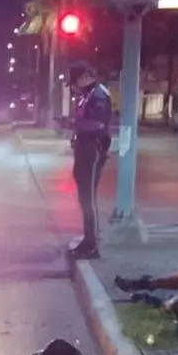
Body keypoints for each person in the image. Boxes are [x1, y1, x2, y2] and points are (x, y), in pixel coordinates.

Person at [67, 63, 113, 260]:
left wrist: (74, 124)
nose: (76, 86)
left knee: (88, 199)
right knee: (84, 198)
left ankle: (92, 245)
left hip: (93, 149)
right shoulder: (88, 95)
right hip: (83, 148)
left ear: (86, 76)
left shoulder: (98, 95)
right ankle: (87, 240)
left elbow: (98, 124)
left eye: (76, 81)